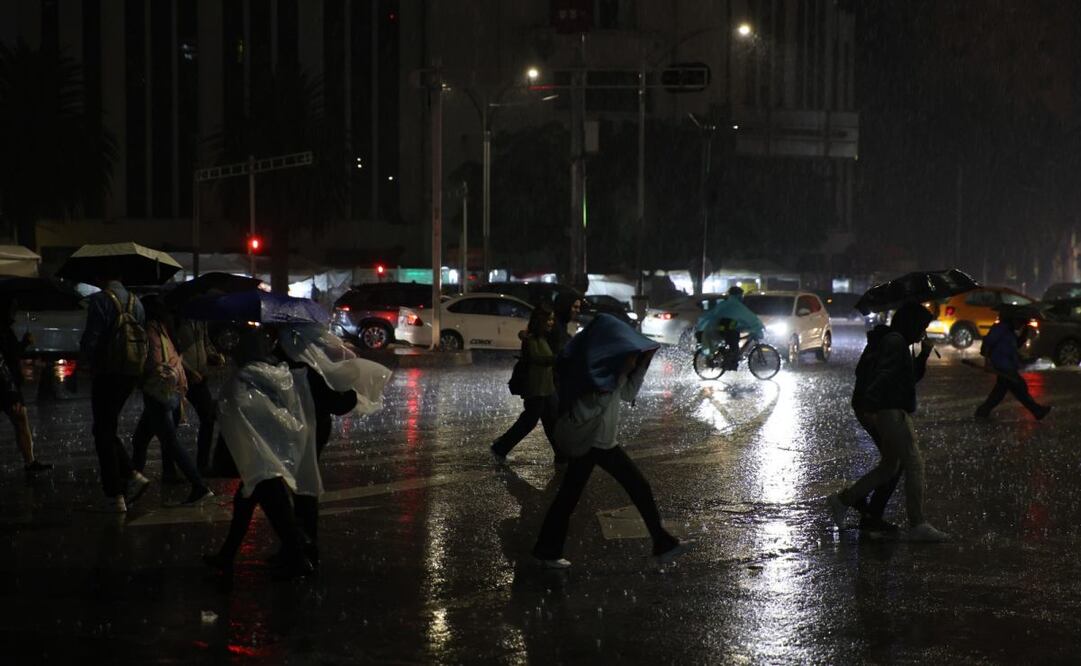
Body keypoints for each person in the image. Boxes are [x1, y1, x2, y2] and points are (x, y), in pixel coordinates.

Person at [532, 314, 685, 568]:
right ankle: (661, 543)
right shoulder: (589, 370)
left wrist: (640, 367)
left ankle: (546, 550)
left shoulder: (609, 369)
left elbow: (626, 394)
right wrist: (623, 372)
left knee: (571, 496)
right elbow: (592, 408)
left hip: (602, 442)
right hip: (592, 442)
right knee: (635, 487)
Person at [203, 323, 319, 581]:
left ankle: (300, 553)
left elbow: (238, 409)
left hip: (258, 456)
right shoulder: (274, 372)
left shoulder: (245, 376)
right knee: (245, 503)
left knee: (276, 509)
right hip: (269, 452)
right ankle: (228, 554)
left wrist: (220, 406)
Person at [827, 302, 950, 542]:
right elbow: (883, 377)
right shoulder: (894, 342)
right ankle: (917, 523)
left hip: (888, 409)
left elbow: (909, 378)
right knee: (914, 463)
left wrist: (923, 353)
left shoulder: (898, 342)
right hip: (891, 410)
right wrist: (874, 406)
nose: (923, 332)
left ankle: (843, 501)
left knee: (890, 466)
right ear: (911, 323)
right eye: (922, 326)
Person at [80, 273, 150, 513]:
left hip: (107, 372)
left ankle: (117, 491)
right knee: (105, 428)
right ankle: (129, 475)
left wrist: (83, 365)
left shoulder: (100, 301)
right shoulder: (136, 302)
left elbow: (91, 339)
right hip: (130, 372)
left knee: (103, 431)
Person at [132, 296, 213, 505]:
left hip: (159, 394)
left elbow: (153, 362)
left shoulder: (150, 331)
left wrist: (137, 376)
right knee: (140, 438)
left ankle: (199, 485)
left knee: (170, 442)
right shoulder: (165, 329)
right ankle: (132, 482)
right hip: (171, 391)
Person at [847, 320, 902, 535]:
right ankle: (863, 506)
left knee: (894, 462)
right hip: (877, 411)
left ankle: (865, 505)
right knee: (895, 462)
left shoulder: (884, 344)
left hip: (879, 409)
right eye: (921, 327)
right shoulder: (888, 347)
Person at [492, 305, 563, 463]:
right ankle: (501, 447)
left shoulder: (544, 338)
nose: (552, 322)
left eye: (553, 319)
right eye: (549, 319)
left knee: (552, 421)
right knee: (529, 422)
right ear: (541, 321)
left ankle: (562, 454)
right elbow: (537, 359)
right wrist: (557, 359)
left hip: (547, 388)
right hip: (536, 389)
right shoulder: (531, 340)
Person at [0, 297, 50, 473]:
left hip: (8, 384)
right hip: (6, 386)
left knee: (21, 420)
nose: (15, 313)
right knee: (20, 419)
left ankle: (30, 462)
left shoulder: (6, 329)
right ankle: (30, 462)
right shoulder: (3, 330)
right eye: (13, 309)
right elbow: (8, 359)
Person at [974, 313, 1051, 420]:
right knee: (1018, 387)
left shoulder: (1010, 332)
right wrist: (987, 362)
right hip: (1002, 365)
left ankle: (982, 411)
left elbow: (1016, 345)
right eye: (1020, 322)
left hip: (1008, 365)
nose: (1020, 326)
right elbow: (988, 342)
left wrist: (1025, 333)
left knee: (1001, 391)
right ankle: (1037, 410)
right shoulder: (1000, 329)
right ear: (1013, 319)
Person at [173, 315, 222, 472]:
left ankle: (202, 464)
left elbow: (205, 342)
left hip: (200, 378)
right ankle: (169, 469)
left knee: (208, 418)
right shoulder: (177, 320)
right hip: (181, 379)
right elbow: (173, 351)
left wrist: (213, 355)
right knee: (170, 424)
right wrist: (188, 371)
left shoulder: (200, 319)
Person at [695, 286, 764, 370]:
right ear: (737, 295)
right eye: (741, 295)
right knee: (734, 345)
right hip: (725, 330)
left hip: (725, 329)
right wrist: (756, 325)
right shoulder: (734, 304)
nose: (741, 297)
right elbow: (748, 316)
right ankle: (729, 364)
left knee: (734, 341)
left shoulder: (726, 303)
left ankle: (730, 361)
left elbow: (742, 317)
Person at [548, 292, 582, 358]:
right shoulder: (553, 325)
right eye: (575, 307)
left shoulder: (562, 324)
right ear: (566, 306)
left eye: (579, 307)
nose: (578, 310)